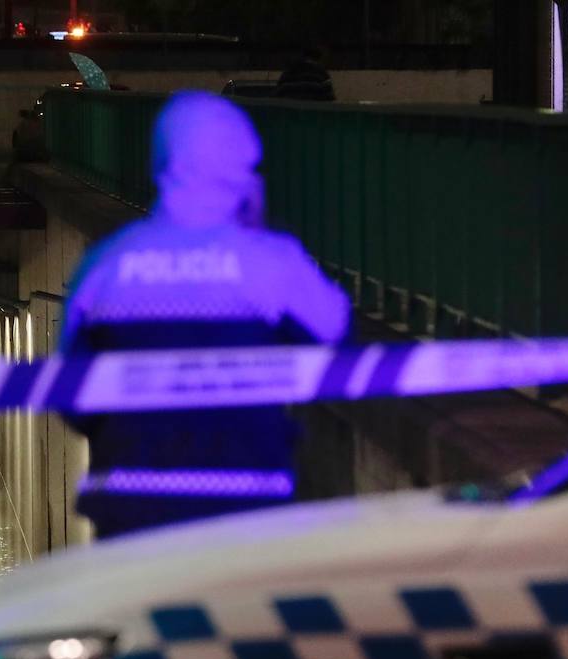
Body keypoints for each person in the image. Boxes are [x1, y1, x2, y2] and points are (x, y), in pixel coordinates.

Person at [59, 90, 350, 538]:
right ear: (243, 171)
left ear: (160, 165)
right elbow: (333, 330)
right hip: (245, 509)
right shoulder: (271, 262)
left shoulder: (107, 264)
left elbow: (72, 399)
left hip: (129, 512)